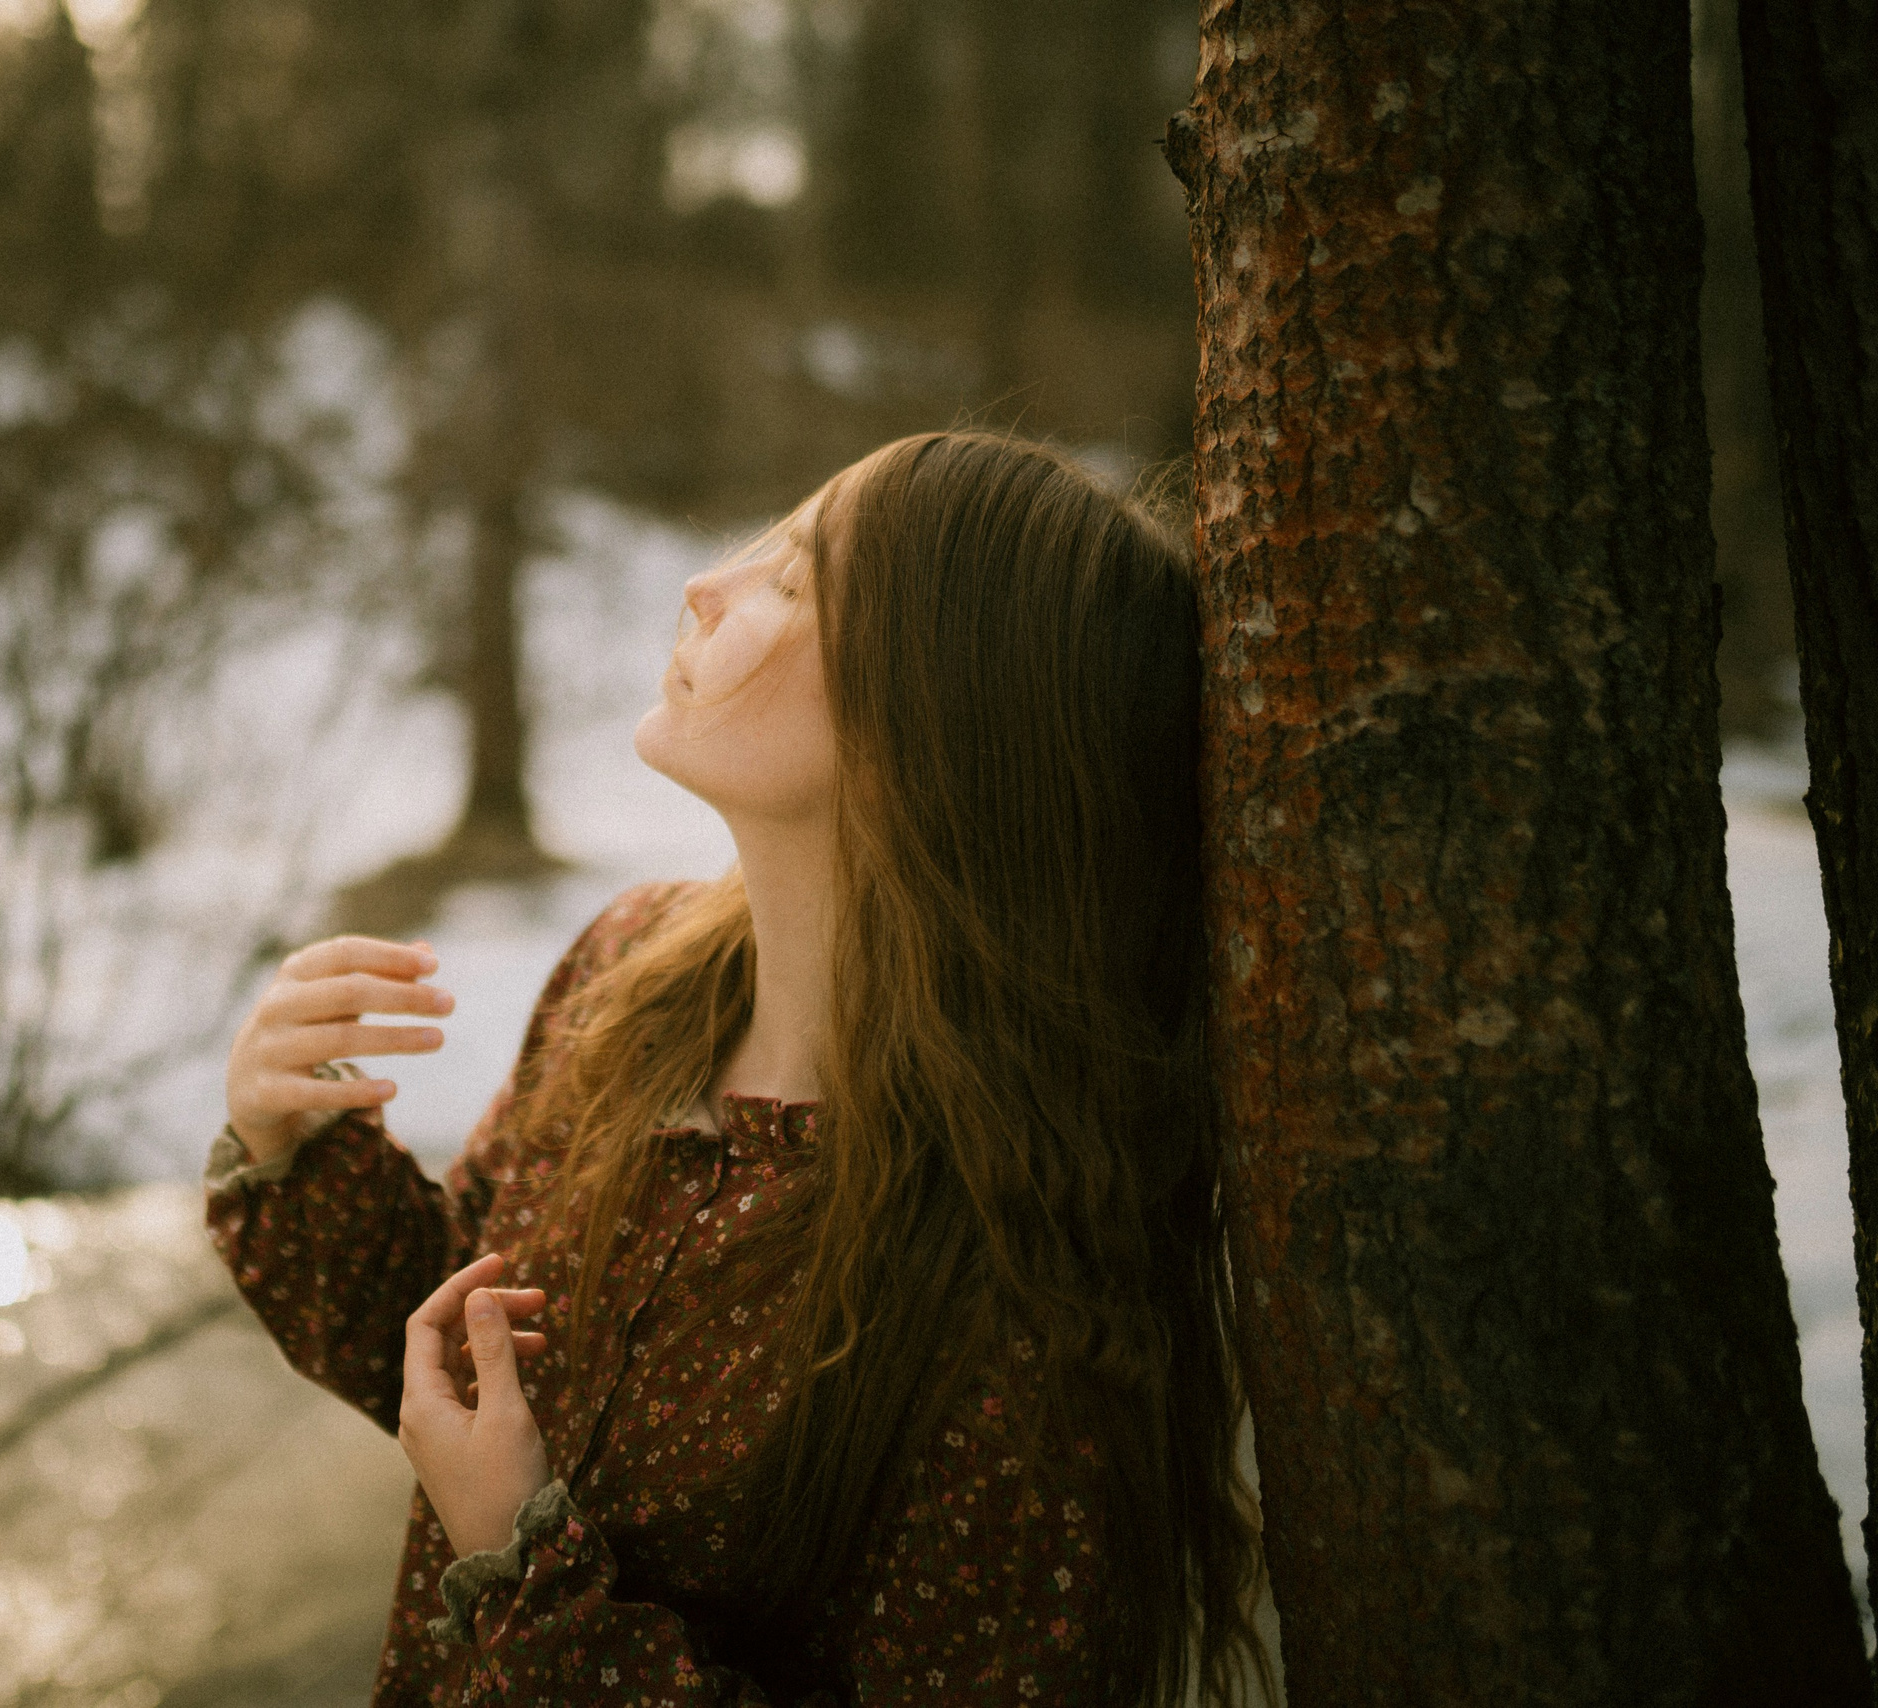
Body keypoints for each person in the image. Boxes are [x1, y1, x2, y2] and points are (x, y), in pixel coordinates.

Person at [207, 431, 1268, 1705]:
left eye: (794, 579)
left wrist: (521, 1572)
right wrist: (293, 1144)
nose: (707, 584)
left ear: (937, 722)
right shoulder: (631, 971)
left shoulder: (1024, 1314)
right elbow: (455, 1365)